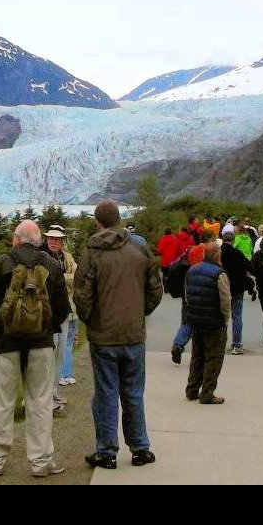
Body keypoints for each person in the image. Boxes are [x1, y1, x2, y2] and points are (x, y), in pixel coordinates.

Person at [74, 199, 163, 470]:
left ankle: (107, 451)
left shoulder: (93, 251)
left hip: (104, 336)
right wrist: (139, 313)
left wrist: (91, 321)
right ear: (119, 219)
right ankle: (140, 448)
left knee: (106, 392)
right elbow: (155, 289)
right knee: (134, 391)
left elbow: (82, 294)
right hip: (133, 334)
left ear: (97, 221)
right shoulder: (139, 248)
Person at [0, 220, 72, 477]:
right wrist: (49, 329)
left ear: (16, 239)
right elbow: (63, 308)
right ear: (39, 240)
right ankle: (41, 461)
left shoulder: (2, 263)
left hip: (6, 342)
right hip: (41, 344)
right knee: (40, 401)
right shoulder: (51, 265)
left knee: (1, 401)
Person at [184, 240, 231, 403]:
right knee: (214, 357)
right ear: (216, 254)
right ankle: (208, 392)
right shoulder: (220, 274)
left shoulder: (192, 270)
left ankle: (192, 388)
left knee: (197, 355)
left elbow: (187, 295)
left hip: (196, 320)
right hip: (213, 322)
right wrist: (225, 319)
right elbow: (225, 300)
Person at [42, 225, 79, 396]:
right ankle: (41, 391)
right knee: (46, 351)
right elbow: (43, 279)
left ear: (62, 241)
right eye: (51, 238)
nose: (53, 242)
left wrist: (59, 277)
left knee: (62, 349)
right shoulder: (41, 256)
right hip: (46, 312)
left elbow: (76, 277)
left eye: (57, 239)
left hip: (65, 310)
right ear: (46, 239)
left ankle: (54, 389)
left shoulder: (67, 257)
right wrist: (65, 278)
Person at [170, 232, 210, 364]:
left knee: (186, 320)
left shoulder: (188, 252)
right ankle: (194, 351)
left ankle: (178, 343)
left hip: (187, 291)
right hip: (201, 291)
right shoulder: (204, 251)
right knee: (198, 323)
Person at [220, 230, 256, 354]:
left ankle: (219, 343)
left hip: (222, 288)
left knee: (221, 316)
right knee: (237, 316)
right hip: (237, 289)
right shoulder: (238, 254)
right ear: (233, 241)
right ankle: (237, 344)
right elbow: (250, 267)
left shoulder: (218, 254)